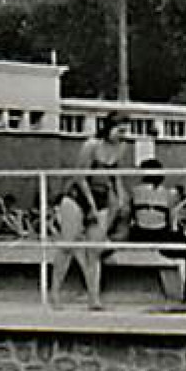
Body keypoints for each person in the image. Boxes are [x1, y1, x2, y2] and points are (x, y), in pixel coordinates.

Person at [51, 113, 128, 309]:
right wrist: (91, 206)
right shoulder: (91, 145)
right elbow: (80, 177)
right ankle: (54, 293)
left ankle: (94, 298)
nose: (122, 135)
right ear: (108, 128)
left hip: (101, 197)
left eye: (125, 131)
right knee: (67, 245)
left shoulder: (121, 148)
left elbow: (115, 174)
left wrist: (120, 197)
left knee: (95, 250)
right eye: (119, 131)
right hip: (78, 197)